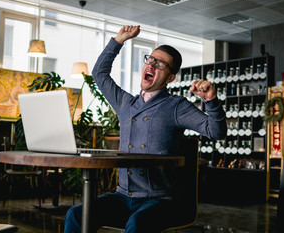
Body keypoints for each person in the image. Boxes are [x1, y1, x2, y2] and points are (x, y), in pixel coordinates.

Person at [65, 25, 227, 233]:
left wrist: (211, 100)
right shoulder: (125, 103)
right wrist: (118, 40)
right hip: (123, 197)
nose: (152, 64)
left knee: (138, 223)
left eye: (160, 64)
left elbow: (216, 132)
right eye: (150, 59)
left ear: (170, 78)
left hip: (160, 200)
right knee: (75, 214)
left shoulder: (176, 106)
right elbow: (99, 73)